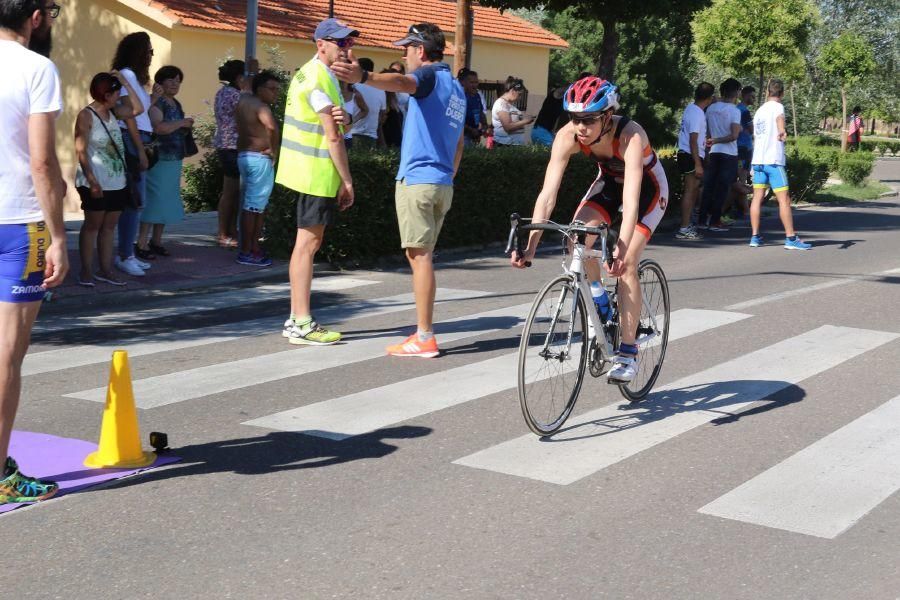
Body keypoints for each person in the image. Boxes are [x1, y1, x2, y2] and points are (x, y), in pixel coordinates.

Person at [510, 77, 669, 384]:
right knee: (576, 241)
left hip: (648, 191)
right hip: (609, 185)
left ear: (607, 116)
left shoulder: (631, 135)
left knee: (626, 267)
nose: (580, 126)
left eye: (588, 119)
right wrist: (530, 247)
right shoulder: (567, 136)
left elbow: (631, 202)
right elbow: (548, 195)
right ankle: (599, 300)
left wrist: (620, 248)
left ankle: (627, 351)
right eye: (574, 118)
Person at [333, 22, 465, 358]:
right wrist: (449, 174)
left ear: (420, 51)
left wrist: (363, 77)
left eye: (406, 49)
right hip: (441, 183)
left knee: (419, 258)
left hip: (419, 180)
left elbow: (403, 82)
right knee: (423, 257)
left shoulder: (428, 75)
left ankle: (424, 336)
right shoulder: (457, 87)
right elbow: (459, 141)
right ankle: (424, 332)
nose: (403, 55)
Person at [0, 0, 69, 504]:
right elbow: (43, 161)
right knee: (6, 356)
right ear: (37, 17)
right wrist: (59, 237)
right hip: (20, 222)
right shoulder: (36, 67)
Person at [275, 18, 356, 345]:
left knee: (305, 246)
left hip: (306, 170)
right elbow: (333, 137)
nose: (345, 48)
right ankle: (302, 322)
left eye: (348, 43)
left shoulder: (313, 73)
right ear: (321, 43)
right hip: (316, 172)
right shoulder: (319, 78)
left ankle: (297, 318)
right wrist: (347, 180)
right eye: (339, 42)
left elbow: (341, 123)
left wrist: (347, 118)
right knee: (307, 246)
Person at [74, 71, 144, 287]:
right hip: (95, 181)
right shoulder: (87, 115)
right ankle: (86, 271)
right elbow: (81, 150)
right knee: (92, 226)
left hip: (117, 181)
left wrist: (124, 82)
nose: (118, 96)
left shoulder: (114, 112)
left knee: (109, 227)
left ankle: (105, 269)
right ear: (106, 94)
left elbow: (138, 109)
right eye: (116, 92)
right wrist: (92, 180)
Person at [136, 65, 193, 258]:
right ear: (160, 82)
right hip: (159, 159)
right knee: (154, 200)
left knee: (166, 201)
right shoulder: (157, 103)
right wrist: (182, 123)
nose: (175, 84)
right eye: (171, 79)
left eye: (178, 80)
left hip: (174, 158)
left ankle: (156, 241)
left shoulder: (175, 103)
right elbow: (158, 127)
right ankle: (141, 242)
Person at [111, 31, 155, 276]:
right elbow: (129, 118)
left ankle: (128, 252)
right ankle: (125, 254)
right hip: (132, 138)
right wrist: (140, 150)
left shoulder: (135, 79)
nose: (150, 56)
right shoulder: (126, 75)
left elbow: (143, 113)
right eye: (148, 50)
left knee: (137, 202)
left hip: (140, 137)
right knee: (134, 201)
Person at [749, 79, 811, 250]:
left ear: (768, 92)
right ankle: (791, 238)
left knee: (757, 198)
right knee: (784, 200)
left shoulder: (759, 111)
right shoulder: (778, 107)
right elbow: (779, 120)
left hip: (758, 161)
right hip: (774, 161)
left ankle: (755, 236)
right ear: (782, 93)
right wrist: (782, 132)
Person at [235, 70, 281, 266]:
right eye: (272, 89)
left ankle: (251, 248)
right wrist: (274, 150)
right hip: (259, 158)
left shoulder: (243, 101)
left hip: (243, 155)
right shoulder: (261, 107)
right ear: (260, 89)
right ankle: (249, 250)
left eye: (277, 90)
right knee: (254, 208)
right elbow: (272, 127)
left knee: (251, 206)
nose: (275, 93)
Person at [698, 78, 742, 232]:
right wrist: (717, 140)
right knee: (722, 189)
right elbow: (734, 135)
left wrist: (710, 144)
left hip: (713, 152)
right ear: (736, 92)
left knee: (709, 187)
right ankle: (715, 221)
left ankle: (702, 220)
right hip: (728, 153)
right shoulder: (734, 111)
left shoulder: (711, 108)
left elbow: (708, 131)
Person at [213, 59, 246, 248]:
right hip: (232, 146)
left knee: (231, 192)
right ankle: (224, 232)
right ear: (240, 78)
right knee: (230, 192)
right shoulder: (236, 95)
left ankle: (230, 230)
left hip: (227, 145)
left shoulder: (223, 92)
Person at [674, 82, 714, 240]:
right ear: (709, 99)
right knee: (690, 192)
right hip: (690, 155)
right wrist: (698, 163)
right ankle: (684, 228)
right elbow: (692, 140)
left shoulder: (691, 109)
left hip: (688, 153)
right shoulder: (698, 113)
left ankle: (686, 225)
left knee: (692, 191)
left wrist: (704, 143)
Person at [725, 84, 756, 220]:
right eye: (752, 96)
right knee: (741, 182)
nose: (754, 99)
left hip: (740, 148)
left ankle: (742, 210)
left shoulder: (737, 109)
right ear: (744, 95)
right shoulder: (743, 111)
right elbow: (752, 129)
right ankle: (744, 211)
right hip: (743, 149)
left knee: (739, 181)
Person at [349, 57, 385, 150]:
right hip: (372, 134)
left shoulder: (353, 86)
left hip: (352, 132)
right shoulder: (380, 89)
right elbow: (382, 114)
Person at [492, 76, 534, 146]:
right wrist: (525, 121)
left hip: (511, 145)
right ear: (512, 91)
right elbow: (508, 127)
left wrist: (524, 118)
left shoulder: (509, 105)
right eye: (519, 94)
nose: (520, 98)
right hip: (505, 145)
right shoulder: (501, 104)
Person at [458, 68, 489, 147]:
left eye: (476, 82)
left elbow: (480, 112)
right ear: (463, 83)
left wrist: (485, 125)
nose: (474, 85)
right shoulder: (460, 97)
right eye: (471, 82)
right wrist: (471, 130)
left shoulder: (477, 96)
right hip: (462, 136)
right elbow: (457, 120)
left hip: (474, 136)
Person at [340, 81, 368, 150]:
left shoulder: (355, 93)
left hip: (347, 137)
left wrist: (352, 120)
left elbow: (365, 110)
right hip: (333, 134)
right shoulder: (331, 91)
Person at [380, 68, 404, 148]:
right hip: (388, 145)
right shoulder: (384, 101)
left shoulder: (394, 99)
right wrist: (384, 145)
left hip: (397, 144)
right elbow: (379, 126)